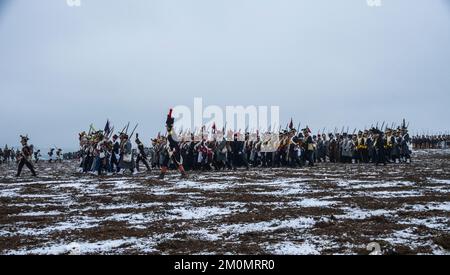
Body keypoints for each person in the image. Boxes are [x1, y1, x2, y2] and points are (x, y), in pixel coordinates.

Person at [159, 109, 188, 179]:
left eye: (167, 126)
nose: (166, 127)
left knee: (177, 162)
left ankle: (183, 174)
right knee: (167, 162)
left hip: (173, 150)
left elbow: (175, 142)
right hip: (170, 150)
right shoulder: (170, 133)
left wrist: (174, 149)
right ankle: (162, 175)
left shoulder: (172, 133)